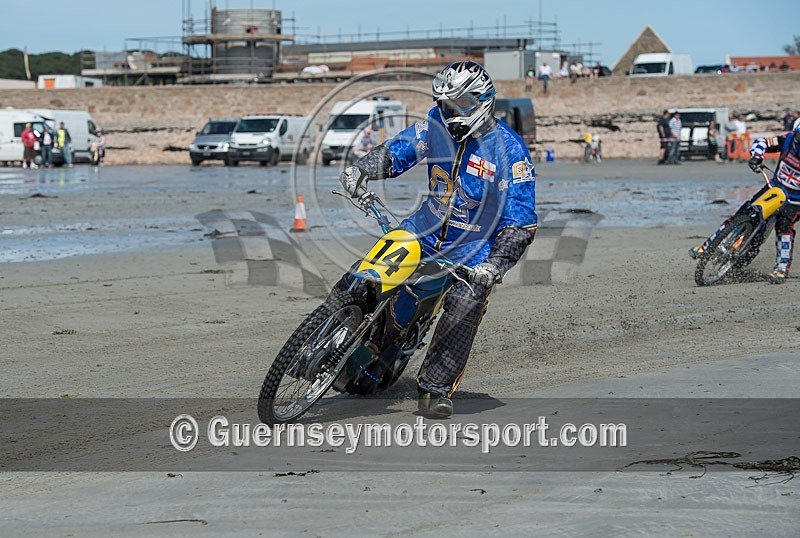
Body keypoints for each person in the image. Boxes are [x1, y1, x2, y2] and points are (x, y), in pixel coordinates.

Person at [337, 61, 537, 418]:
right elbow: (399, 150)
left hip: (473, 252)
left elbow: (521, 222)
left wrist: (495, 265)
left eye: (460, 104)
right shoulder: (433, 124)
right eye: (446, 104)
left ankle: (434, 388)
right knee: (363, 275)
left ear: (482, 101)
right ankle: (330, 333)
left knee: (465, 303)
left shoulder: (510, 151)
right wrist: (362, 169)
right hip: (423, 229)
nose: (451, 112)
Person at [690, 118, 800, 284]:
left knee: (784, 227)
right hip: (774, 187)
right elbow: (762, 142)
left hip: (795, 200)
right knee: (744, 213)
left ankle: (780, 269)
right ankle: (706, 247)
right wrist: (756, 157)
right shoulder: (787, 139)